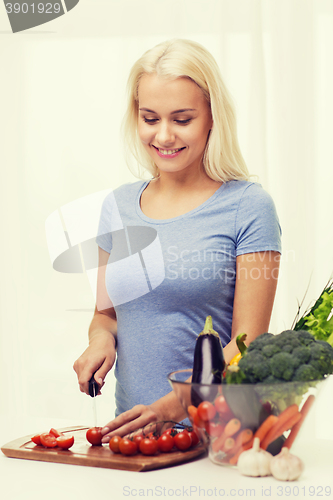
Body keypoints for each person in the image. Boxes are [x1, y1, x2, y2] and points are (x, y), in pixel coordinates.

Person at [73, 38, 281, 443]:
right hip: (133, 437)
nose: (164, 136)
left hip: (218, 439)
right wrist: (100, 340)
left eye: (181, 119)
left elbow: (248, 343)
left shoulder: (249, 206)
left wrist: (172, 406)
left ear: (211, 119)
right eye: (150, 118)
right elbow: (106, 315)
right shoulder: (117, 207)